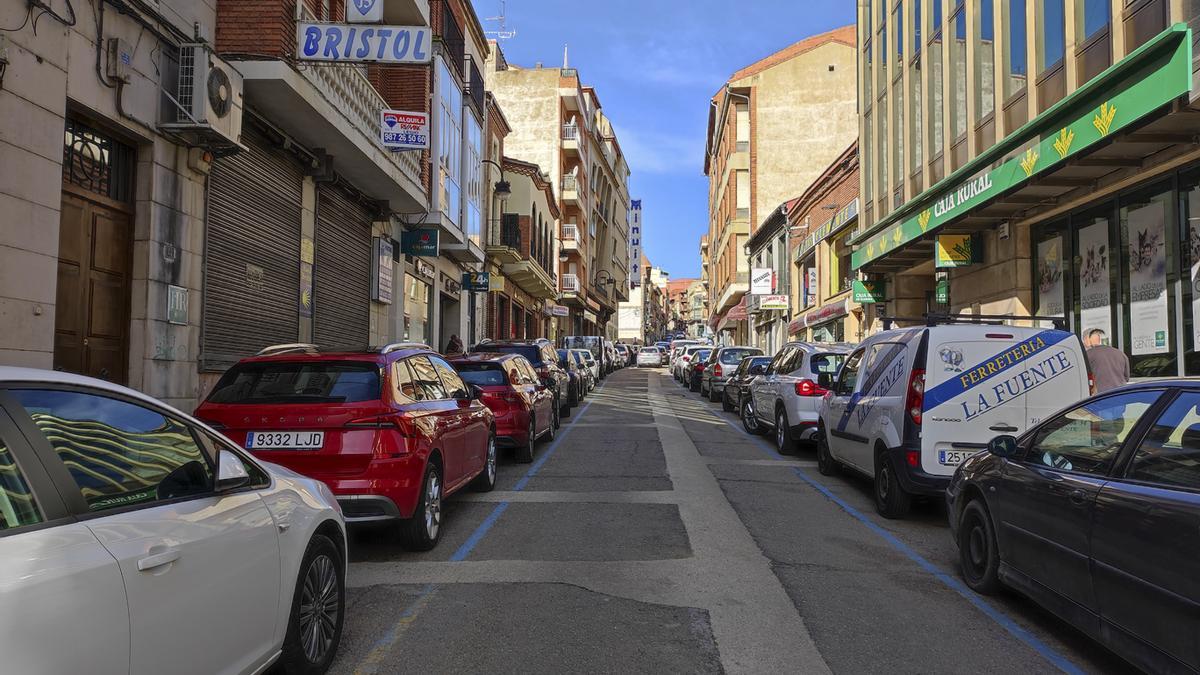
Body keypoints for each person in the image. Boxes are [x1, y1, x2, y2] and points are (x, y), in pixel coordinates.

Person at [1083, 328, 1129, 393]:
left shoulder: (1088, 354)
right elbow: (1126, 378)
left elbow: (1084, 378)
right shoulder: (1121, 354)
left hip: (1101, 397)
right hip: (1120, 394)